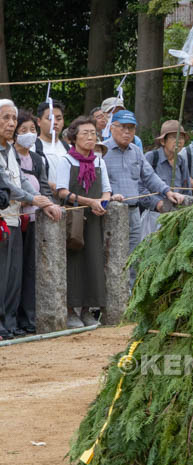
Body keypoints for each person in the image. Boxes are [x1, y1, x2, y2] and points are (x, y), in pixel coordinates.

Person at [0, 100, 62, 339]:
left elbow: (21, 180)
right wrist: (34, 199)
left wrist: (39, 198)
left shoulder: (10, 150)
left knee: (13, 275)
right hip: (4, 217)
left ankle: (10, 322)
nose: (11, 123)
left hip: (15, 219)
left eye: (13, 119)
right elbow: (7, 184)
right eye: (5, 118)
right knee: (2, 274)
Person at [102, 109, 186, 264]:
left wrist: (167, 192)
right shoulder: (102, 151)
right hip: (111, 211)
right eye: (122, 127)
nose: (127, 132)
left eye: (131, 128)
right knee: (113, 255)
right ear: (112, 127)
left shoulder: (135, 151)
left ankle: (132, 288)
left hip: (134, 211)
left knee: (134, 256)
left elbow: (149, 176)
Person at [54, 116, 111, 328]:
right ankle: (71, 310)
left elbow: (107, 188)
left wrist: (103, 202)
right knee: (74, 262)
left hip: (95, 218)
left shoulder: (99, 161)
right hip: (74, 219)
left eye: (93, 133)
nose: (90, 136)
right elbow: (62, 191)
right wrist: (89, 201)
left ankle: (88, 310)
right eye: (85, 133)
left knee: (95, 262)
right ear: (74, 137)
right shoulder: (66, 160)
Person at [13, 112, 50, 335]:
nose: (29, 134)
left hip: (35, 218)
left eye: (32, 130)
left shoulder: (37, 159)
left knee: (30, 270)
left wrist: (48, 203)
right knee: (13, 271)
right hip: (15, 219)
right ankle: (12, 318)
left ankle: (29, 318)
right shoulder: (9, 156)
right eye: (24, 130)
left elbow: (43, 186)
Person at [141, 120, 192, 238]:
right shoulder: (152, 157)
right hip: (154, 216)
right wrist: (157, 203)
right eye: (174, 137)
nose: (179, 141)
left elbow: (187, 190)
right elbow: (140, 188)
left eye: (182, 138)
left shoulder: (181, 161)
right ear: (163, 141)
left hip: (177, 217)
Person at [35, 100, 69, 192]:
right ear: (39, 121)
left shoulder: (69, 148)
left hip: (69, 202)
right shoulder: (32, 147)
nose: (55, 122)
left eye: (59, 119)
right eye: (50, 119)